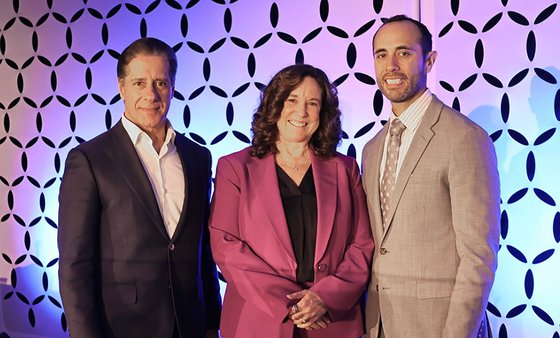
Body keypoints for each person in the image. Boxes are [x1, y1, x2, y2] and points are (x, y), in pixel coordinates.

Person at [58, 37, 221, 338]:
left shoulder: (199, 157)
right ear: (121, 87)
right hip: (122, 327)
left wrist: (212, 323)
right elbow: (75, 266)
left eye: (160, 82)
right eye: (139, 83)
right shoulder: (89, 159)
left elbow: (204, 251)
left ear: (172, 87)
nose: (151, 94)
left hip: (190, 326)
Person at [209, 64, 374, 338]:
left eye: (313, 103)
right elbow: (226, 247)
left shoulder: (346, 169)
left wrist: (325, 298)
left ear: (323, 113)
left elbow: (362, 245)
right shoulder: (235, 167)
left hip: (332, 322)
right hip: (258, 321)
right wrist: (290, 304)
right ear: (275, 105)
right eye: (292, 100)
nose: (302, 112)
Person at [361, 15, 500, 338]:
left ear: (430, 59)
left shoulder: (464, 137)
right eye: (381, 55)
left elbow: (479, 256)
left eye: (404, 53)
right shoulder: (371, 148)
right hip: (379, 323)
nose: (391, 65)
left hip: (438, 326)